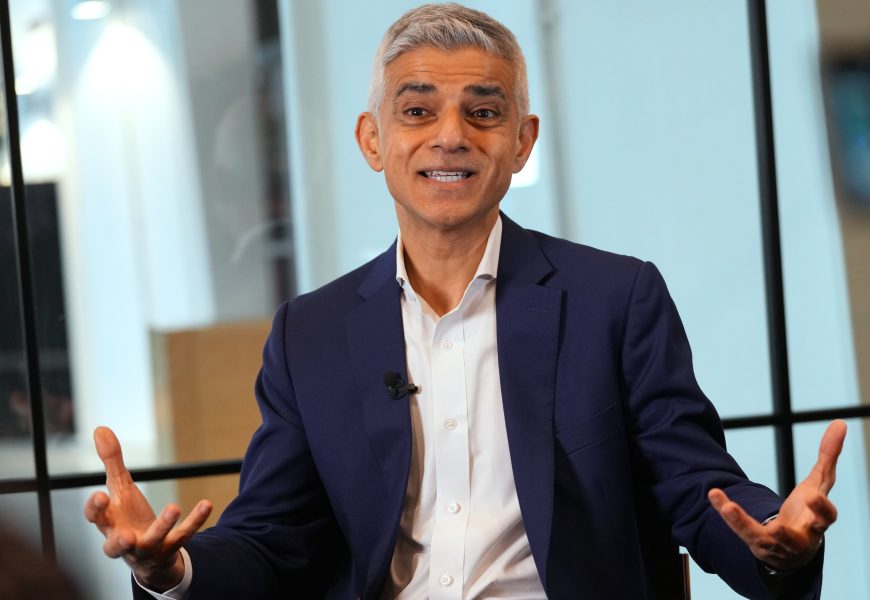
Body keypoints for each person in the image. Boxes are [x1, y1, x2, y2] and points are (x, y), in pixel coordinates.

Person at [85, 4, 846, 599]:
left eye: (483, 112)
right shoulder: (308, 333)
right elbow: (271, 537)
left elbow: (695, 484)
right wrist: (171, 568)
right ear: (373, 141)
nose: (451, 136)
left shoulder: (615, 300)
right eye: (417, 111)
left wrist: (774, 536)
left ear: (522, 141)